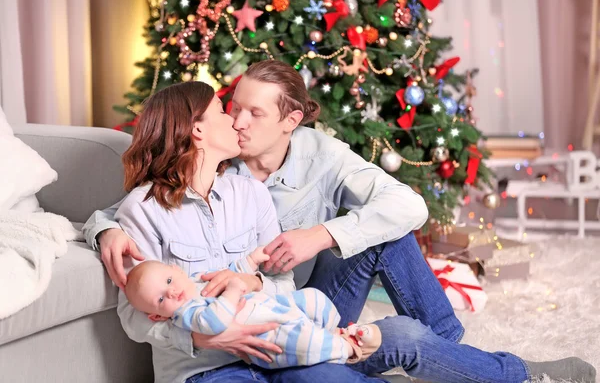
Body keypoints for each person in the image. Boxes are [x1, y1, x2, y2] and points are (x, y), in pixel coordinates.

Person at [84, 69, 596, 383]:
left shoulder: (272, 179)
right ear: (200, 130)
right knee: (370, 349)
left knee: (394, 300)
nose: (237, 121)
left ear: (290, 121)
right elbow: (134, 291)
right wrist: (104, 228)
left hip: (299, 324)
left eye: (250, 113)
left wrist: (290, 257)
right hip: (219, 360)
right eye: (229, 110)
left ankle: (465, 362)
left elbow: (401, 209)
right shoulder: (150, 207)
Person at [124, 252, 382, 369]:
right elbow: (214, 323)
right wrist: (234, 291)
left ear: (177, 272)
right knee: (303, 342)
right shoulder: (185, 315)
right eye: (160, 299)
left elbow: (231, 273)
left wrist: (249, 262)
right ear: (158, 316)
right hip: (266, 337)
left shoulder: (196, 279)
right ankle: (344, 348)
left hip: (272, 305)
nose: (170, 292)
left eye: (168, 282)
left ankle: (333, 329)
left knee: (313, 298)